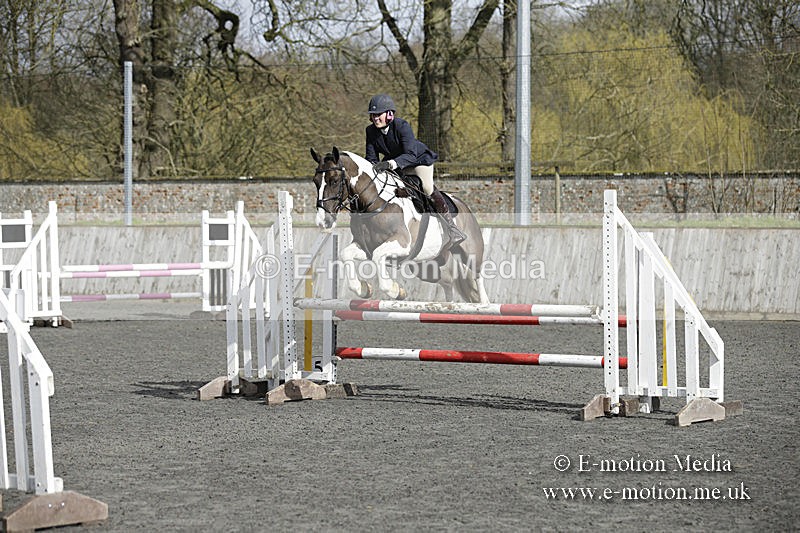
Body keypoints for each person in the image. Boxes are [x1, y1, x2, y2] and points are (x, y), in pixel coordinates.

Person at [365, 93, 467, 246]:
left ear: (389, 114)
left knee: (427, 187)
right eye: (373, 115)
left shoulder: (401, 126)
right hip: (396, 164)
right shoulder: (370, 131)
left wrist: (390, 164)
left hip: (418, 161)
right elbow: (371, 158)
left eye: (379, 115)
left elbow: (410, 154)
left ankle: (452, 229)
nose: (375, 118)